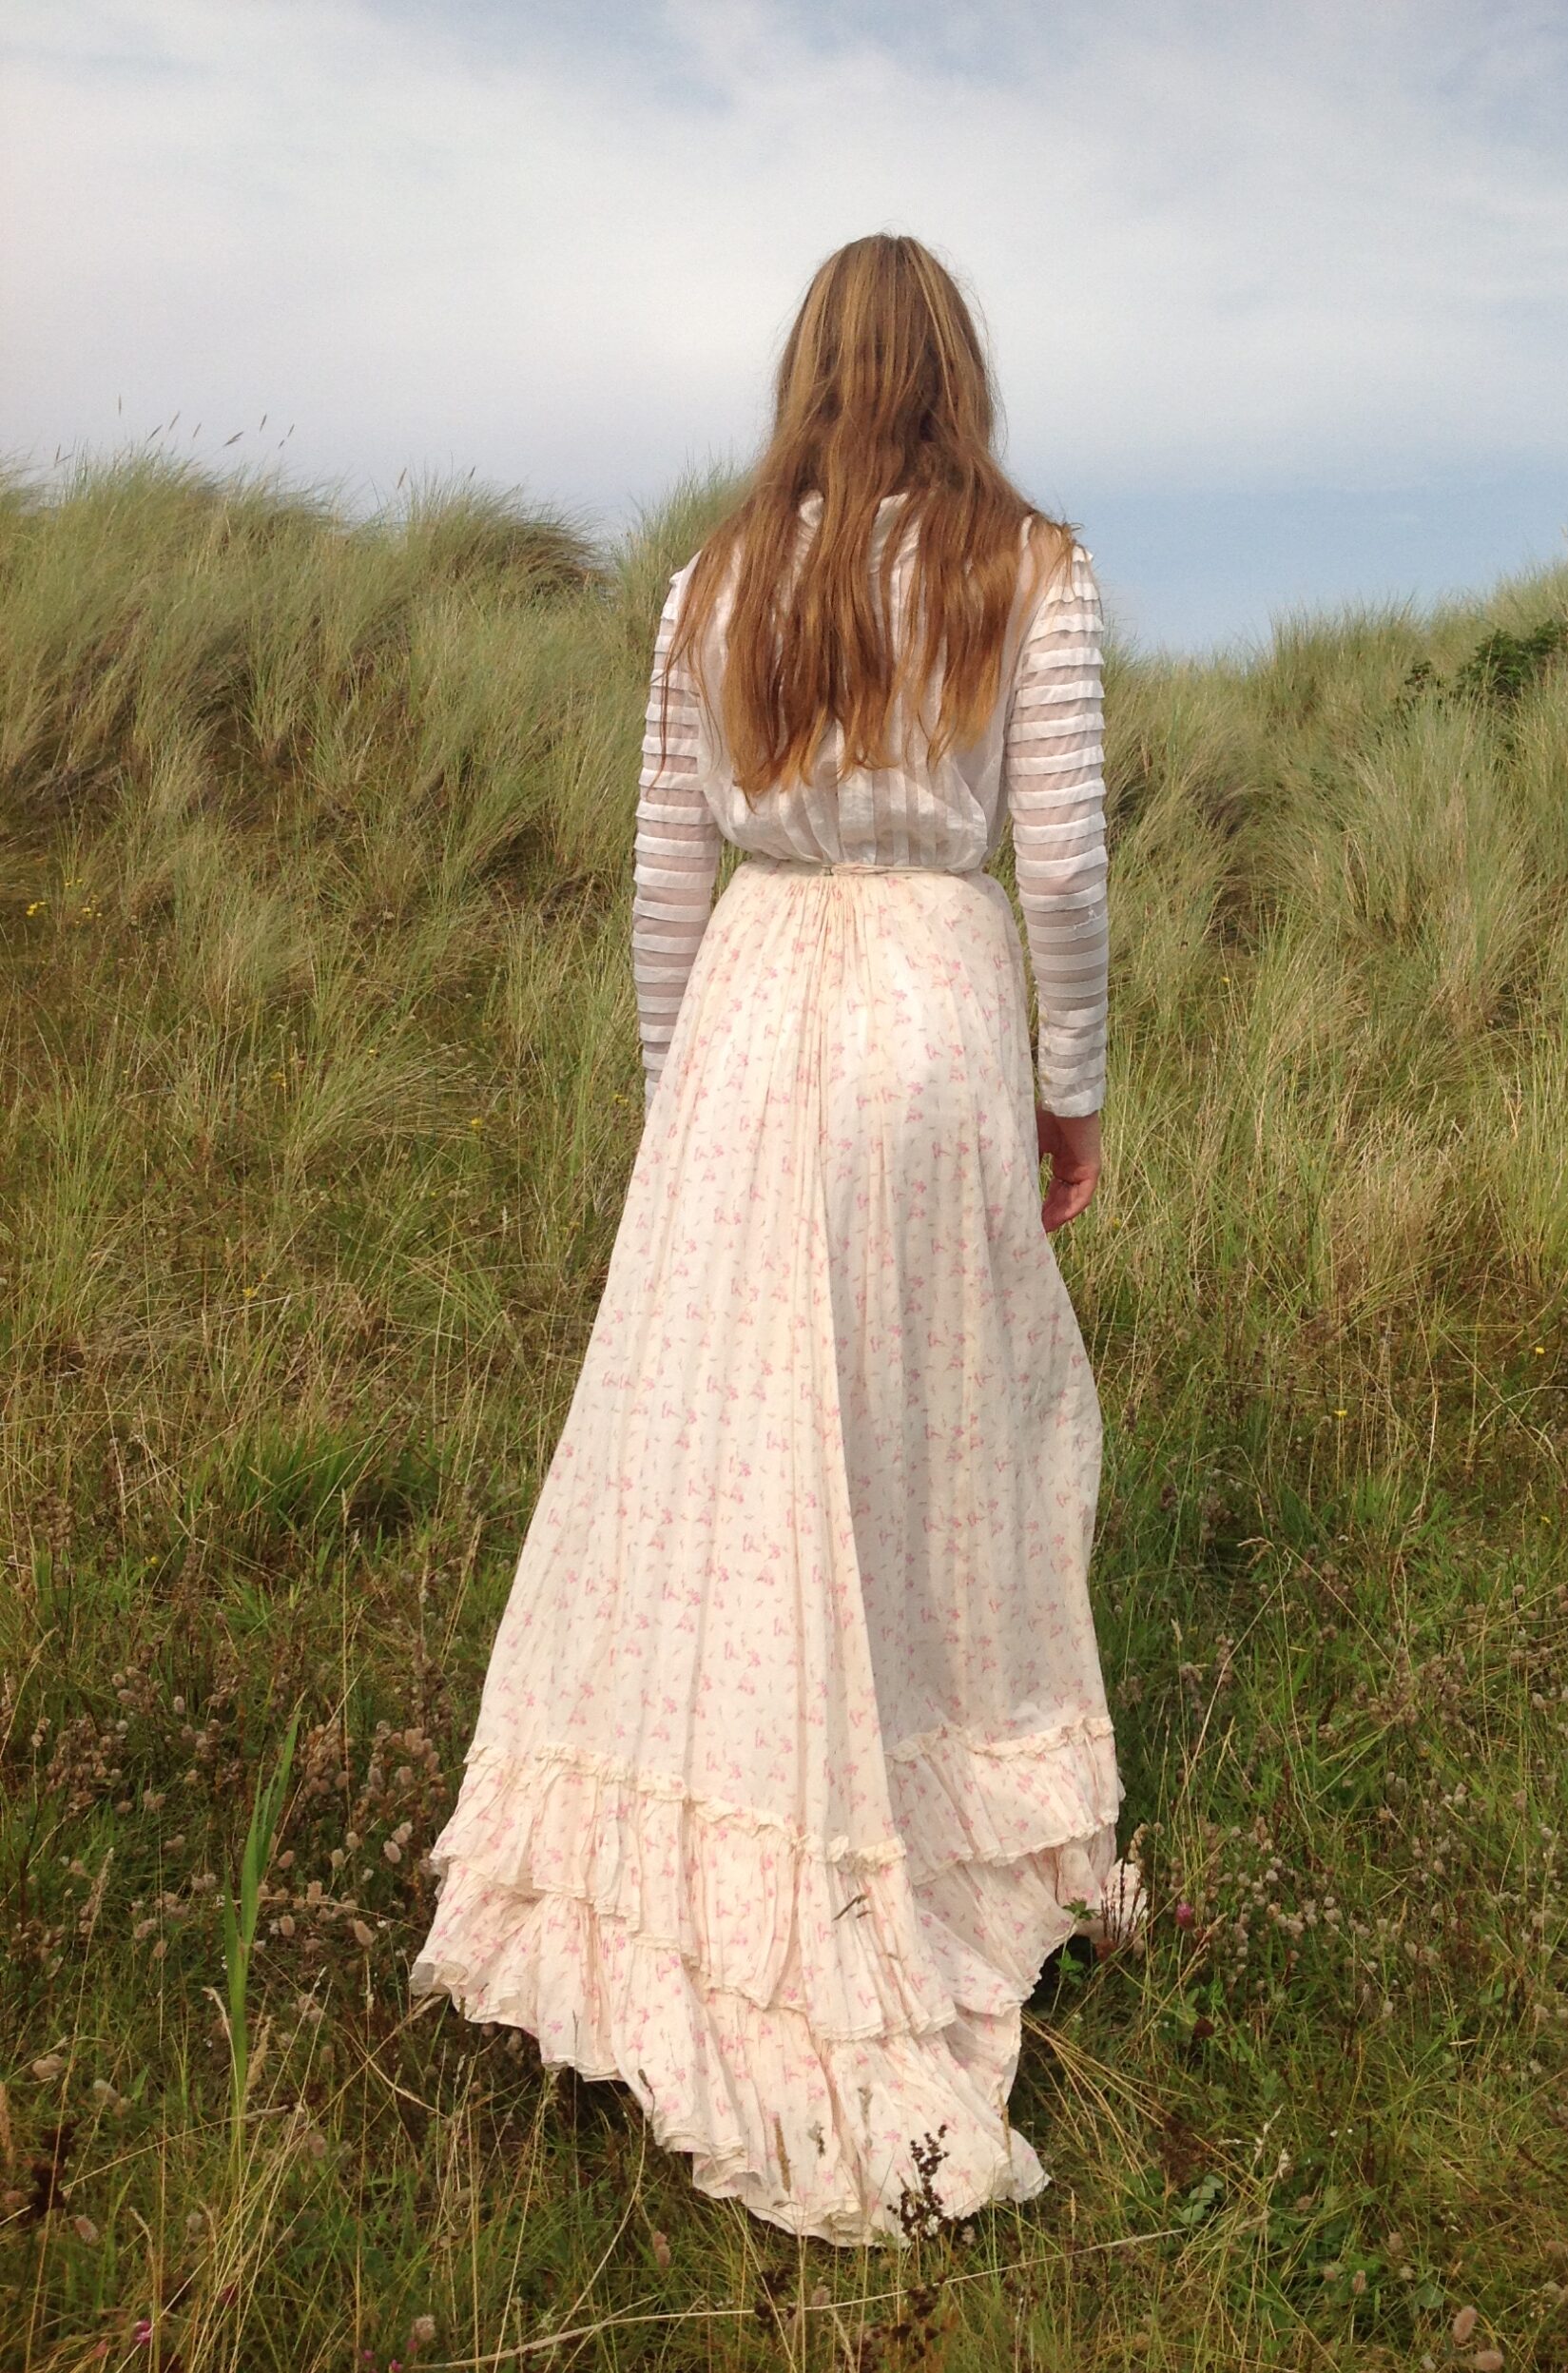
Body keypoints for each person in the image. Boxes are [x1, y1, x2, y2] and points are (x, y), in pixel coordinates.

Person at [411, 232, 1131, 2246]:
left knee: (727, 1470)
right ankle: (926, 1809)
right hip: (924, 1018)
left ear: (811, 368)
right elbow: (1056, 867)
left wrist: (676, 1097)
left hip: (743, 1022)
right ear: (955, 372)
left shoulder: (712, 583)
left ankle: (715, 1840)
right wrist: (1070, 1080)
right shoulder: (1029, 571)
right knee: (935, 1430)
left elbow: (665, 870)